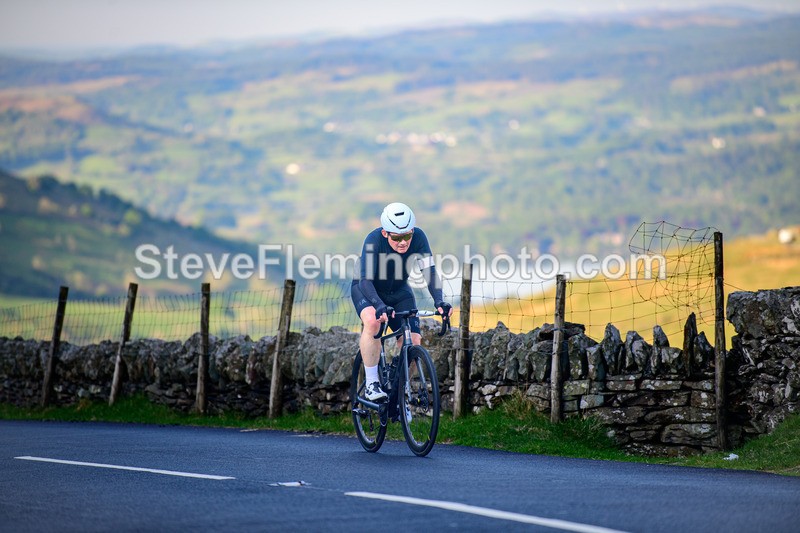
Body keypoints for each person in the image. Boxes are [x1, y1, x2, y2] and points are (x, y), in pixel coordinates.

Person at [351, 202, 453, 401]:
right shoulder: (373, 241)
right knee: (373, 322)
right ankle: (372, 384)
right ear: (385, 234)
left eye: (408, 236)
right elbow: (365, 281)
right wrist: (379, 305)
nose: (403, 242)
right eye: (397, 238)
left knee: (414, 341)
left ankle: (401, 390)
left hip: (399, 291)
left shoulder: (419, 238)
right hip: (367, 289)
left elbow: (429, 272)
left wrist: (439, 301)